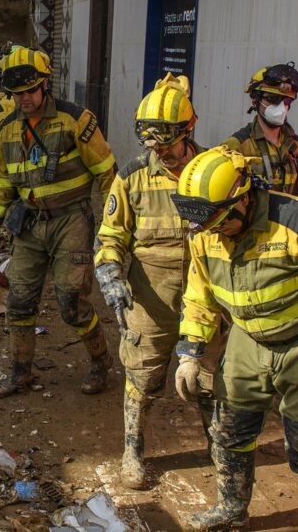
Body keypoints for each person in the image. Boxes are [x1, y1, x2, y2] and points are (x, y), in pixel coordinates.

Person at [169, 146, 298, 531]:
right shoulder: (206, 228)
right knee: (229, 431)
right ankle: (232, 508)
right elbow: (199, 295)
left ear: (243, 197)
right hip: (246, 340)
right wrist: (190, 350)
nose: (212, 232)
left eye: (220, 221)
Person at [95, 73, 219, 490]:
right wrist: (110, 273)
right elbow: (111, 236)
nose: (158, 152)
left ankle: (216, 445)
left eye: (167, 144)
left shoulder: (212, 173)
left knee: (207, 376)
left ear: (188, 130)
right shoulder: (131, 177)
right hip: (151, 295)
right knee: (142, 376)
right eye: (151, 143)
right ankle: (132, 449)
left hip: (208, 294)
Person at [0, 47, 116, 398]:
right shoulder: (7, 131)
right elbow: (4, 184)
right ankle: (19, 371)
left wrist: (112, 229)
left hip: (72, 221)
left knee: (71, 301)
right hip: (31, 224)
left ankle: (100, 361)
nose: (24, 99)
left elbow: (108, 176)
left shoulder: (74, 120)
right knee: (18, 300)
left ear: (45, 84)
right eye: (17, 94)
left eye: (31, 91)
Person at [221, 62, 298, 217]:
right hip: (254, 235)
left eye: (286, 101)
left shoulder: (293, 144)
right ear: (255, 100)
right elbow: (225, 202)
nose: (281, 107)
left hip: (288, 233)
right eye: (273, 99)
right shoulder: (236, 147)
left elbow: (296, 188)